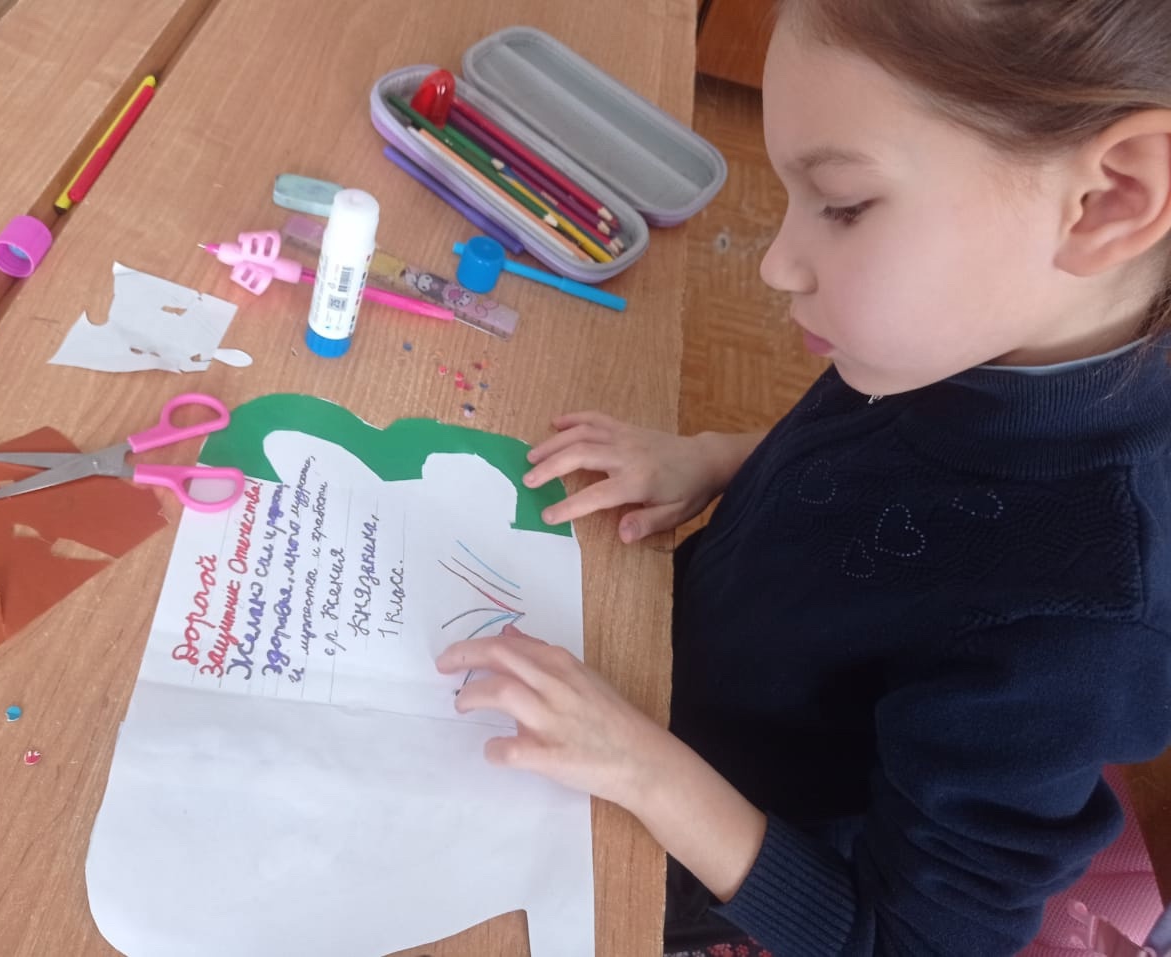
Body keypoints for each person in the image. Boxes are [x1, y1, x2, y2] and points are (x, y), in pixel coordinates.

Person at [434, 0, 1171, 952]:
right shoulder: (981, 327)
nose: (778, 265)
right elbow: (905, 481)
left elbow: (904, 940)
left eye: (844, 205)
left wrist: (642, 766)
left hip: (697, 842)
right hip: (652, 669)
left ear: (1111, 198)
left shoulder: (1086, 622)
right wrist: (716, 456)